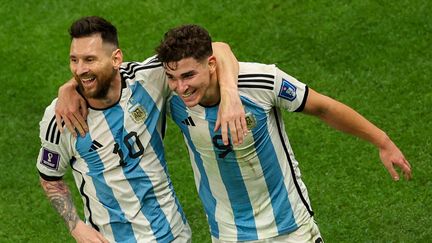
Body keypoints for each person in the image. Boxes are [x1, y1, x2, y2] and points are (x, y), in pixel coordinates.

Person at [153, 25, 412, 242]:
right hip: (228, 233)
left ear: (211, 65)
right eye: (173, 77)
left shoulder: (260, 82)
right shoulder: (170, 95)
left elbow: (323, 108)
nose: (181, 87)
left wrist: (382, 141)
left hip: (290, 225)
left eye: (188, 75)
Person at [37, 16, 246, 243]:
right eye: (74, 60)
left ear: (116, 59)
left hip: (173, 235)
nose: (80, 69)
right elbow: (50, 177)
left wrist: (230, 95)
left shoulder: (149, 79)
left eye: (89, 59)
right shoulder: (60, 117)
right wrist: (75, 226)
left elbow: (217, 49)